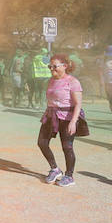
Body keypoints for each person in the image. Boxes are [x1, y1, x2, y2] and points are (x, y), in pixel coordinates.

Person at [38, 54, 86, 187]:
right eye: (50, 66)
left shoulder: (73, 81)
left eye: (55, 66)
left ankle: (69, 176)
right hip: (51, 115)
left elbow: (78, 104)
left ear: (65, 66)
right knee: (42, 142)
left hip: (68, 117)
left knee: (67, 147)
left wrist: (73, 121)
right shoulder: (51, 80)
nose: (52, 69)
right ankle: (55, 169)